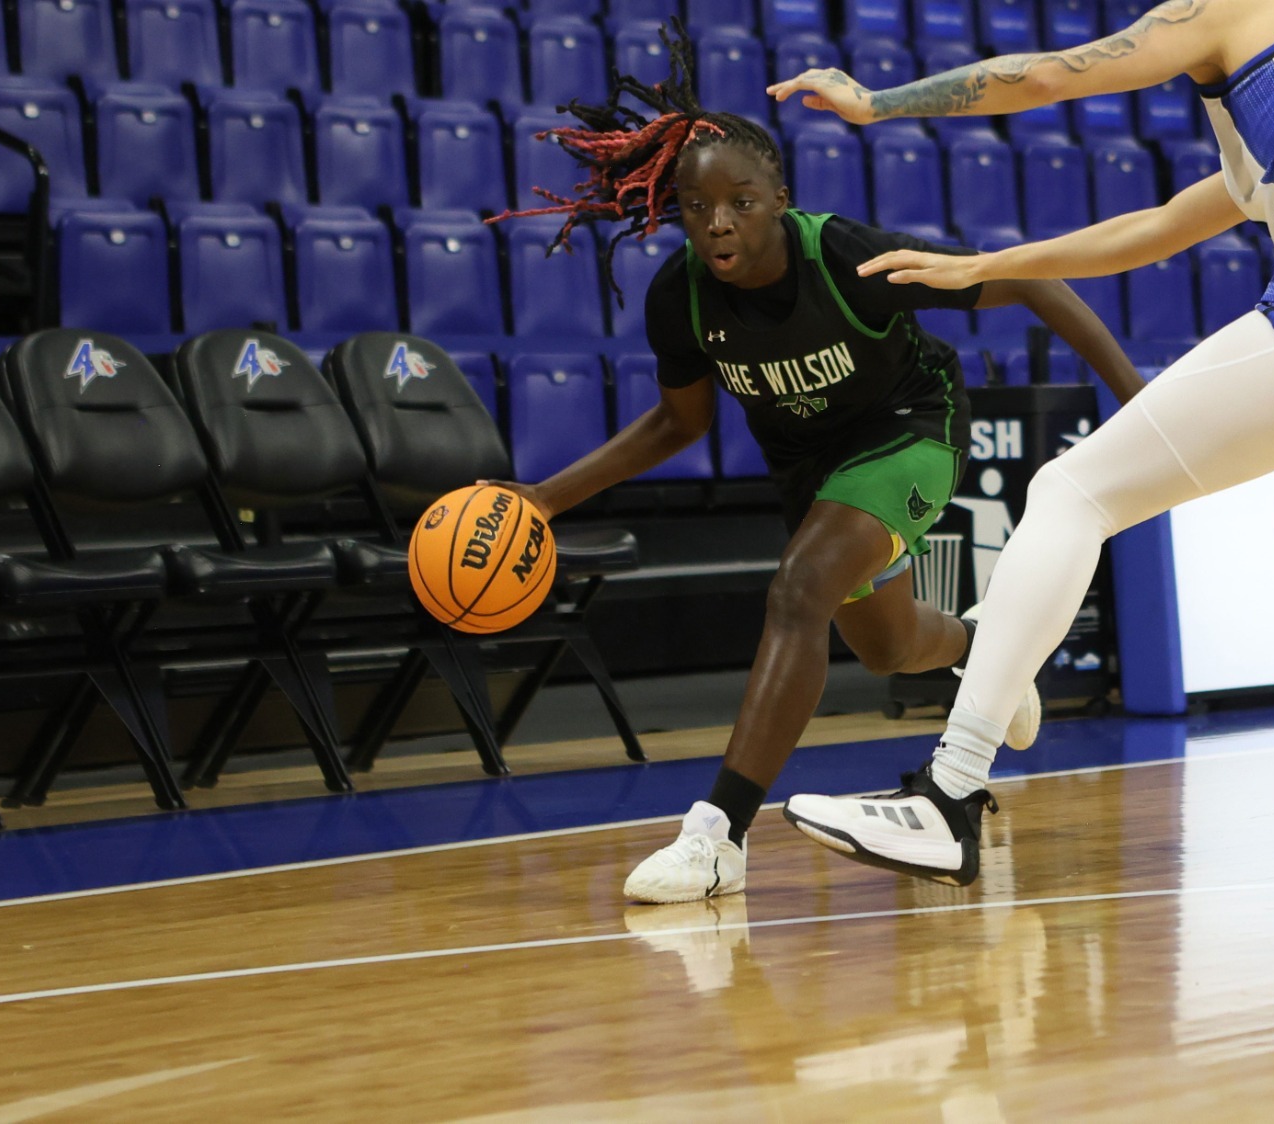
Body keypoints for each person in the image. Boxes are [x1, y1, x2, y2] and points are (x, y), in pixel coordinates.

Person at [768, 0, 1274, 891]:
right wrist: (988, 267)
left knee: (1072, 493)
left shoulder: (1234, 7)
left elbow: (1054, 74)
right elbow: (1164, 225)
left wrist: (877, 102)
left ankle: (947, 799)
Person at [489, 26, 1144, 904]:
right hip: (813, 469)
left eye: (741, 203)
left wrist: (1137, 405)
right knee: (889, 647)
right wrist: (541, 499)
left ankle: (718, 834)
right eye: (696, 207)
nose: (717, 223)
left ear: (778, 199)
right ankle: (992, 652)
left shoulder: (846, 258)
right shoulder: (678, 297)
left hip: (911, 429)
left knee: (799, 587)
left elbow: (1030, 281)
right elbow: (674, 426)